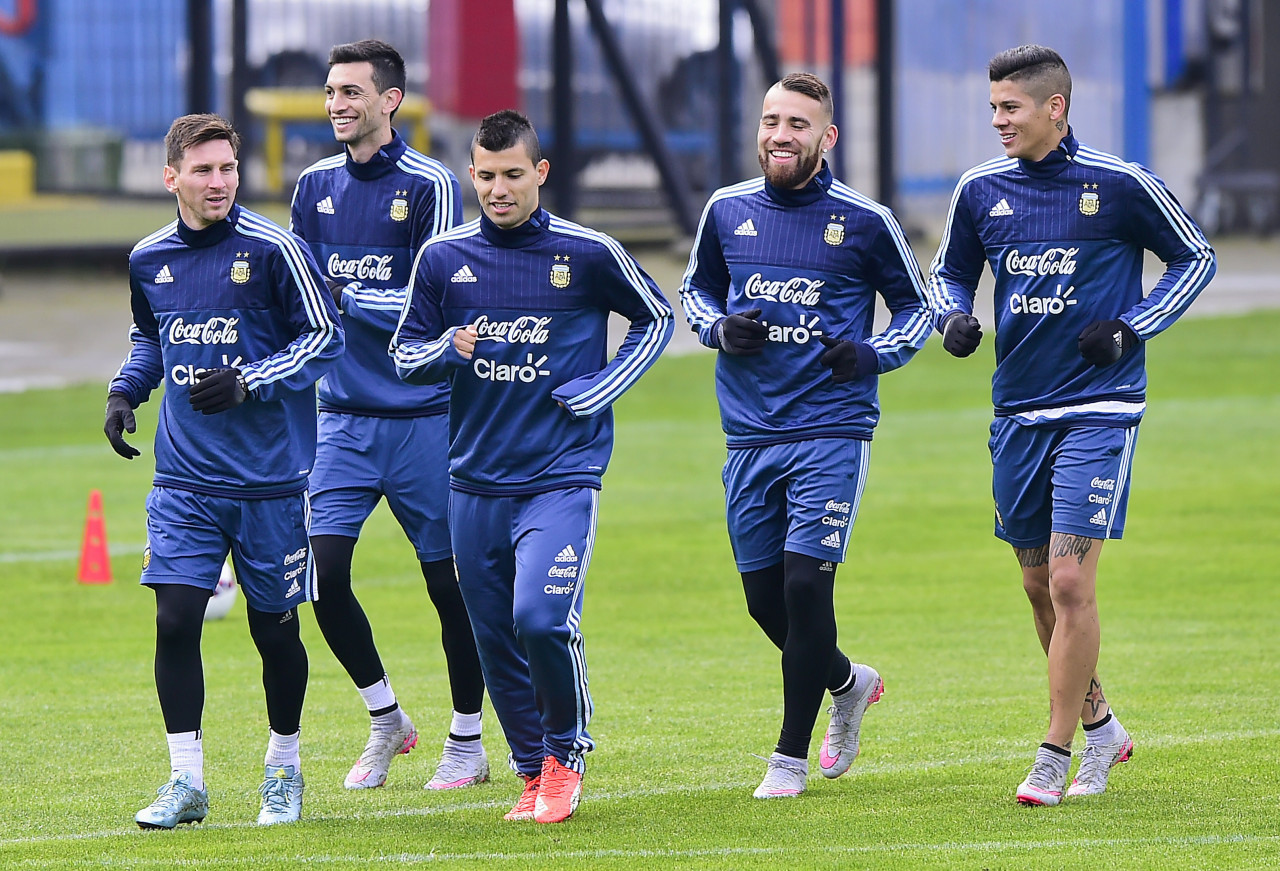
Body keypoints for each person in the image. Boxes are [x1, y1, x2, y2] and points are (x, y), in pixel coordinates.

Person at [927, 44, 1216, 806]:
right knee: (1035, 586)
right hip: (1016, 410)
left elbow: (1195, 259)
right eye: (992, 107)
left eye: (1010, 108)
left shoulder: (1119, 185)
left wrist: (1131, 328)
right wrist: (952, 314)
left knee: (1067, 576)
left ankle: (1054, 753)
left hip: (1100, 408)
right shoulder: (979, 189)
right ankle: (1103, 728)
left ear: (1055, 107)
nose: (998, 121)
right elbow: (949, 270)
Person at [391, 109, 673, 823]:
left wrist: (599, 387)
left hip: (559, 476)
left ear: (540, 173)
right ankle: (531, 768)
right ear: (471, 176)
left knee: (540, 618)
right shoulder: (442, 259)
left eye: (512, 174)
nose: (498, 189)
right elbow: (404, 352)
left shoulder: (587, 252)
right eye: (485, 177)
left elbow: (657, 319)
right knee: (493, 635)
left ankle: (566, 754)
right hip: (473, 482)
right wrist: (445, 348)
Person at [679, 72, 932, 799]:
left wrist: (873, 353)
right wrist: (719, 327)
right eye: (770, 120)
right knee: (765, 601)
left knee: (803, 584)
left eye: (797, 123)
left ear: (828, 137)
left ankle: (787, 759)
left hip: (831, 427)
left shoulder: (865, 219)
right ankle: (850, 683)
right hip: (749, 434)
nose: (780, 135)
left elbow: (915, 308)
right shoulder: (726, 210)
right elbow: (696, 291)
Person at [104, 113, 344, 828]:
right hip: (183, 481)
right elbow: (152, 336)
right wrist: (126, 389)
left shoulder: (274, 250)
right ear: (170, 175)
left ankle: (284, 767)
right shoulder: (149, 257)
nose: (219, 182)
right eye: (204, 170)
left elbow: (326, 338)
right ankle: (186, 782)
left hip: (270, 483)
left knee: (274, 630)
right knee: (175, 617)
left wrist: (250, 380)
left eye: (228, 169)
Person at [288, 38, 488, 792]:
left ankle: (467, 740)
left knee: (448, 584)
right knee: (323, 580)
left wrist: (347, 299)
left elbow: (429, 300)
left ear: (390, 100)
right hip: (339, 416)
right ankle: (386, 717)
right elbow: (301, 296)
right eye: (331, 91)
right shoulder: (312, 186)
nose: (337, 103)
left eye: (351, 92)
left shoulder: (432, 184)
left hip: (424, 415)